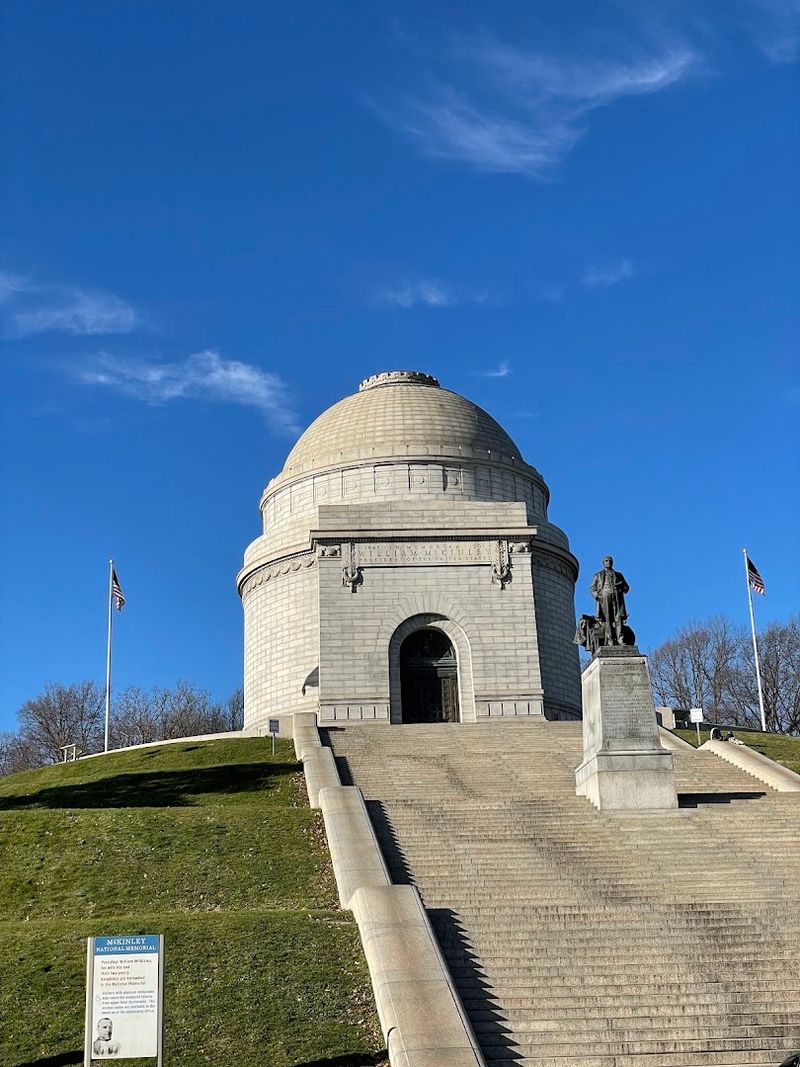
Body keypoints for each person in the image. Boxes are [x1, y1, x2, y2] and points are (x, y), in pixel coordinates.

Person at [590, 556, 630, 646]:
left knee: (618, 618)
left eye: (610, 561)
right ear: (603, 563)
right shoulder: (598, 575)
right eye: (606, 561)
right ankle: (610, 640)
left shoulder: (619, 575)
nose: (608, 562)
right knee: (608, 619)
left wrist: (621, 587)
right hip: (604, 597)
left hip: (617, 598)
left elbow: (627, 588)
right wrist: (597, 596)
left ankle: (620, 639)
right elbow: (592, 588)